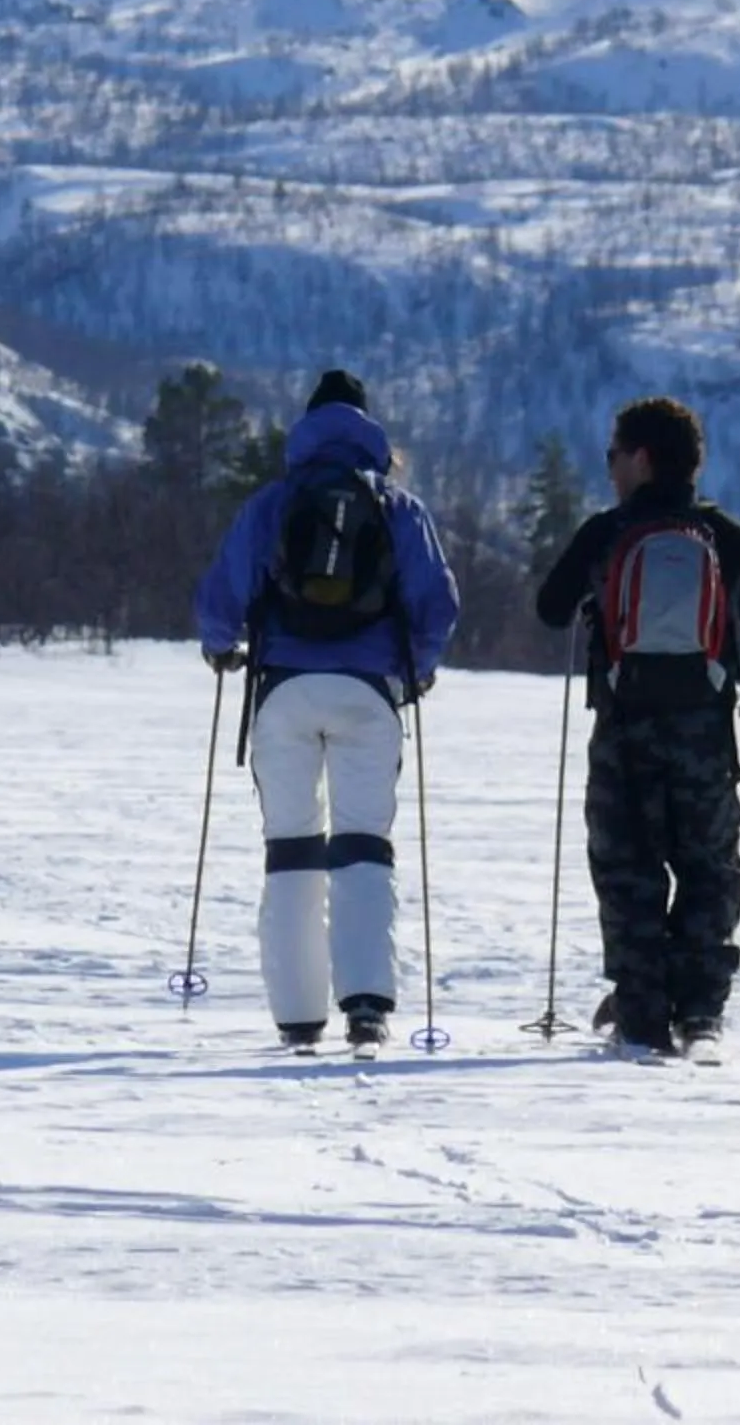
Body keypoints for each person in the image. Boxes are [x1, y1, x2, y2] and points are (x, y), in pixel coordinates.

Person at [195, 370, 460, 1052]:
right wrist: (417, 670)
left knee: (291, 849)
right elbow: (438, 605)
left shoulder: (275, 502)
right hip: (369, 694)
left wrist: (222, 649)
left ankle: (297, 1015)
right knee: (363, 846)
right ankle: (367, 1006)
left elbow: (222, 594)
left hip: (283, 690)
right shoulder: (398, 507)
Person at [534, 395, 740, 1058]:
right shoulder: (728, 537)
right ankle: (701, 1012)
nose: (610, 467)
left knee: (629, 871)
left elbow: (549, 609)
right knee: (709, 870)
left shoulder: (606, 531)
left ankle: (642, 1015)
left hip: (624, 730)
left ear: (641, 459)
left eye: (614, 455)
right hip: (704, 734)